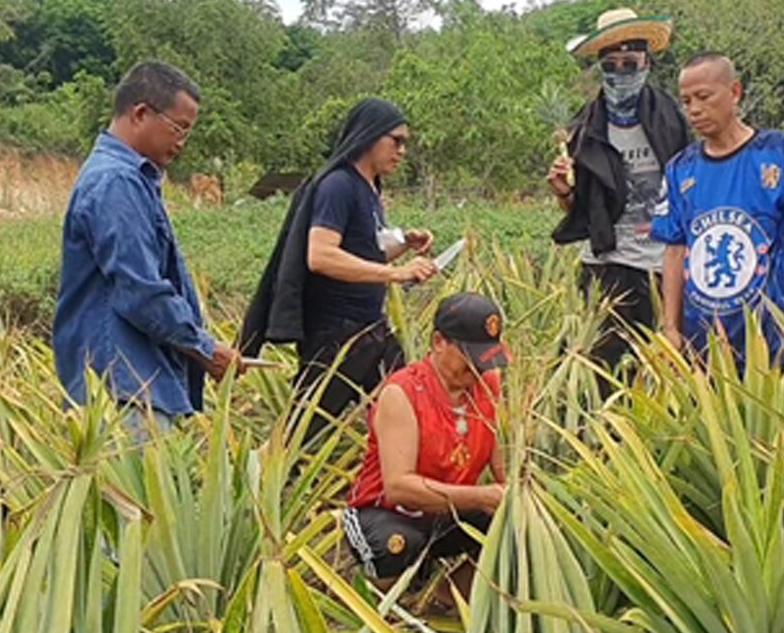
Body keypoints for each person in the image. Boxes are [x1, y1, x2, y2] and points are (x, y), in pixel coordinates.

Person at [53, 61, 242, 438]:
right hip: (124, 388)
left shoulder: (129, 179)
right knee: (135, 496)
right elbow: (140, 290)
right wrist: (204, 348)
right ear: (140, 113)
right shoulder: (116, 182)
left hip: (128, 384)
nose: (182, 142)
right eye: (179, 128)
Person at [241, 98, 437, 441]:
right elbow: (321, 256)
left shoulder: (368, 187)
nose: (402, 150)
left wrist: (404, 243)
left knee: (406, 407)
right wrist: (397, 274)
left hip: (368, 329)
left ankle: (393, 487)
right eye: (397, 140)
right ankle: (267, 488)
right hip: (335, 336)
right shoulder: (339, 185)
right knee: (304, 432)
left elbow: (364, 252)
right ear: (370, 136)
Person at [650, 53, 784, 361]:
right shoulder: (680, 169)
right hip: (702, 342)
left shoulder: (780, 153)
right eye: (686, 101)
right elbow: (674, 251)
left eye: (704, 97)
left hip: (772, 336)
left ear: (735, 91)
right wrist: (670, 327)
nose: (695, 110)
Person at [343, 292, 510, 605]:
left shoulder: (488, 383)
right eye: (468, 357)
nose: (476, 370)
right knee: (397, 544)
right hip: (385, 512)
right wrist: (483, 496)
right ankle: (381, 607)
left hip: (446, 509)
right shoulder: (403, 392)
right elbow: (398, 487)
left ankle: (445, 598)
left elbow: (499, 457)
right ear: (437, 342)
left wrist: (511, 496)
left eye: (483, 359)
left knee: (511, 523)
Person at [548, 8, 692, 371]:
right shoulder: (585, 127)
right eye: (611, 65)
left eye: (630, 62)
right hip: (605, 266)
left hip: (663, 267)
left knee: (662, 371)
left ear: (647, 62)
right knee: (599, 370)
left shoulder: (673, 119)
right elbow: (579, 211)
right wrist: (564, 193)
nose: (621, 72)